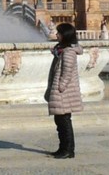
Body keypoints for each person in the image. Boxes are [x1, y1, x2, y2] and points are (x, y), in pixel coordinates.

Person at [45, 22, 83, 159]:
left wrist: (60, 86)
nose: (56, 35)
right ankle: (63, 148)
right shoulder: (61, 50)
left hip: (64, 92)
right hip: (61, 91)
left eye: (59, 33)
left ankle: (68, 150)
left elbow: (67, 73)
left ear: (65, 35)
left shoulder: (68, 53)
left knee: (64, 120)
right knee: (60, 120)